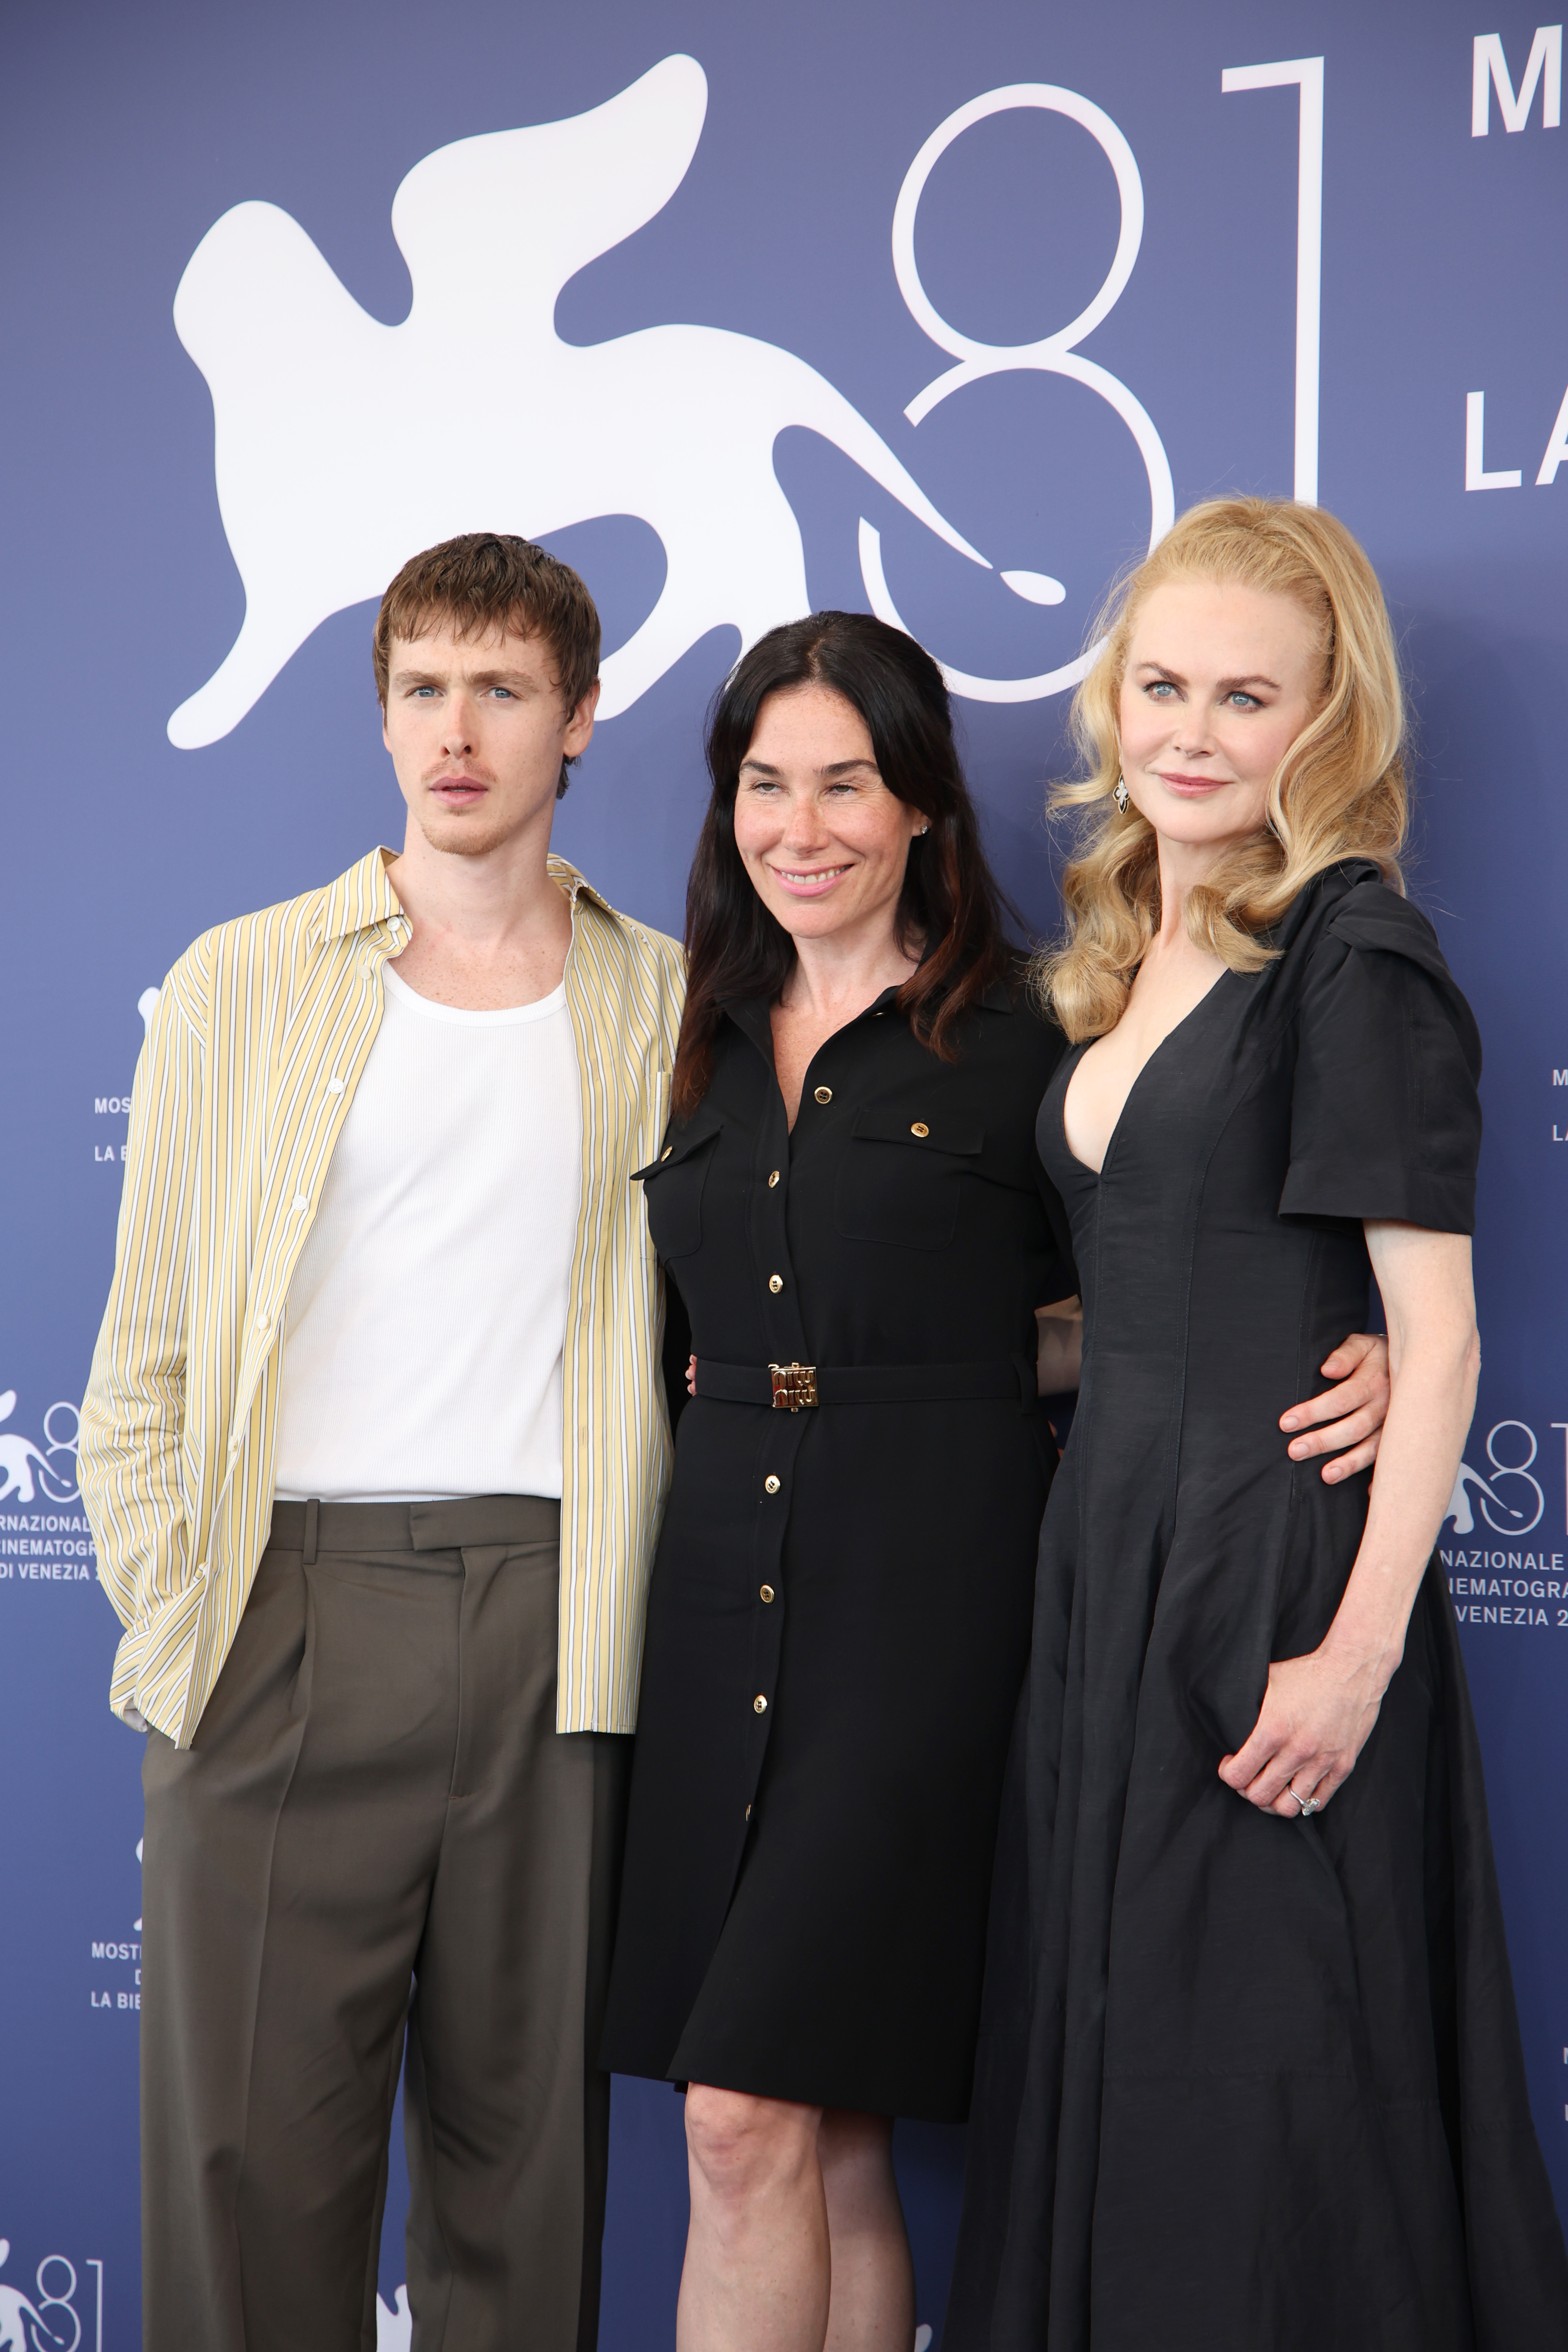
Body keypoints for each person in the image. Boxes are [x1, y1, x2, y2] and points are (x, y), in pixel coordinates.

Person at [598, 609, 1392, 2352]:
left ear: (924, 813)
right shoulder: (687, 1031)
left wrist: (1362, 1346)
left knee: (740, 2117)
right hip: (716, 1590)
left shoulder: (1030, 1034)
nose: (799, 826)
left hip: (924, 1614)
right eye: (764, 785)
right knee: (836, 2133)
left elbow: (1154, 1290)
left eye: (845, 785)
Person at [946, 498, 1568, 2351]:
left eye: (1244, 695)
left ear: (1329, 723)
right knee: (1115, 2062)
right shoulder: (1129, 955)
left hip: (1266, 1585)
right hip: (1105, 1581)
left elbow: (1434, 1343)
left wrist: (1355, 1657)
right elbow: (1128, 1305)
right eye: (1159, 685)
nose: (1191, 733)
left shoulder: (1352, 957)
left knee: (1256, 2092)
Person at [78, 533, 685, 2352]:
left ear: (580, 718)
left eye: (502, 688)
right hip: (287, 1605)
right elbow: (145, 1361)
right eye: (422, 685)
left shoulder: (670, 1001)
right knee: (245, 2181)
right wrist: (190, 1625)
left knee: (529, 2181)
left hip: (556, 1619)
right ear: (384, 712)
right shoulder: (239, 984)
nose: (457, 729)